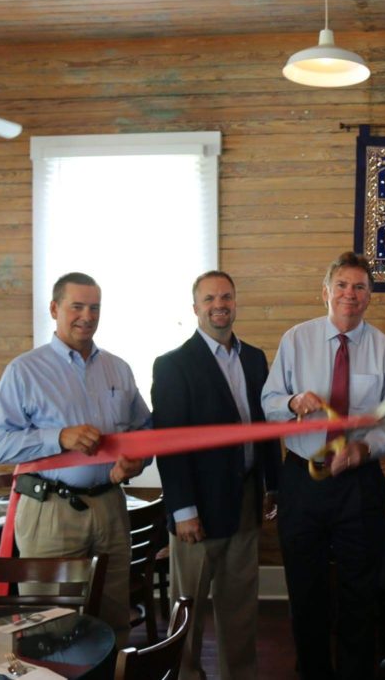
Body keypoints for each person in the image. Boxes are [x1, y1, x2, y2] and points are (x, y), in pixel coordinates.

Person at [0, 272, 149, 647]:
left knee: (114, 624)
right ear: (55, 309)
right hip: (49, 512)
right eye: (77, 306)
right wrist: (57, 437)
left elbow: (142, 429)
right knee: (50, 632)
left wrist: (135, 459)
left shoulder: (118, 369)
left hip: (110, 508)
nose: (86, 316)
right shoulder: (24, 371)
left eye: (94, 308)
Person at [261, 251, 385, 680]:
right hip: (302, 479)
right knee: (305, 591)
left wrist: (364, 450)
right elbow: (268, 405)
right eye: (342, 285)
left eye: (360, 287)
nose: (350, 294)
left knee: (359, 592)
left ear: (369, 297)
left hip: (359, 484)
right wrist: (291, 402)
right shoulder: (295, 340)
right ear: (325, 292)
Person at [152, 270, 280, 680]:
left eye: (225, 297)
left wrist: (272, 484)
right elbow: (169, 443)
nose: (218, 305)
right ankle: (186, 674)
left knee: (240, 604)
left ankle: (238, 674)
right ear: (195, 308)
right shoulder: (173, 365)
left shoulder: (254, 358)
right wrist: (183, 509)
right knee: (187, 606)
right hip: (196, 510)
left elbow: (267, 426)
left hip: (244, 498)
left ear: (235, 302)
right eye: (209, 299)